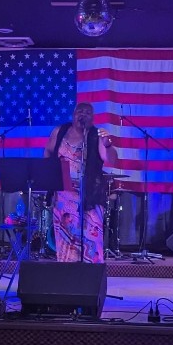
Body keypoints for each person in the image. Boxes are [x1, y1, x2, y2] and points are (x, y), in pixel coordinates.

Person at [44, 102, 118, 263]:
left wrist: (107, 144)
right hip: (63, 195)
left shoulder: (96, 135)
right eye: (79, 111)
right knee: (65, 240)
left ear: (92, 118)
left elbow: (111, 159)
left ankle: (91, 277)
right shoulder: (60, 131)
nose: (82, 115)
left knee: (92, 238)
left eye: (87, 113)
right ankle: (68, 276)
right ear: (73, 114)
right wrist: (48, 173)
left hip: (89, 196)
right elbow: (48, 151)